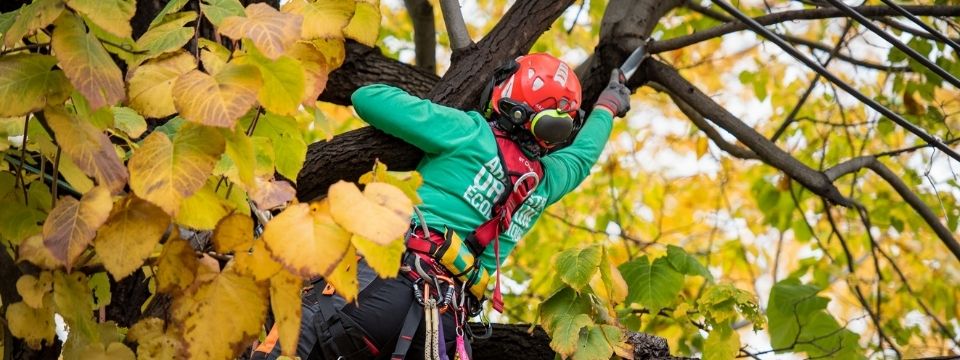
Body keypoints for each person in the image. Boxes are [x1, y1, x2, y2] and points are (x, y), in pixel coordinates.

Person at [253, 53, 631, 360]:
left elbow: (367, 99)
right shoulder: (545, 182)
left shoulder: (468, 134)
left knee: (289, 342)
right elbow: (582, 157)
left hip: (381, 290)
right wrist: (607, 107)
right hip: (445, 332)